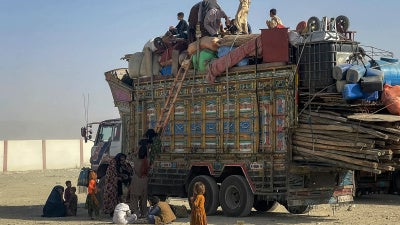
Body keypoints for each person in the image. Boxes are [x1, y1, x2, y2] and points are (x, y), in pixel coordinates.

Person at [129, 141, 150, 218]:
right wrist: (147, 150)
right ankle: (144, 213)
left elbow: (129, 157)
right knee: (143, 199)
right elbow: (148, 155)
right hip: (144, 180)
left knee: (134, 197)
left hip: (136, 180)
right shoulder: (147, 161)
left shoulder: (135, 160)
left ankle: (135, 213)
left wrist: (136, 152)